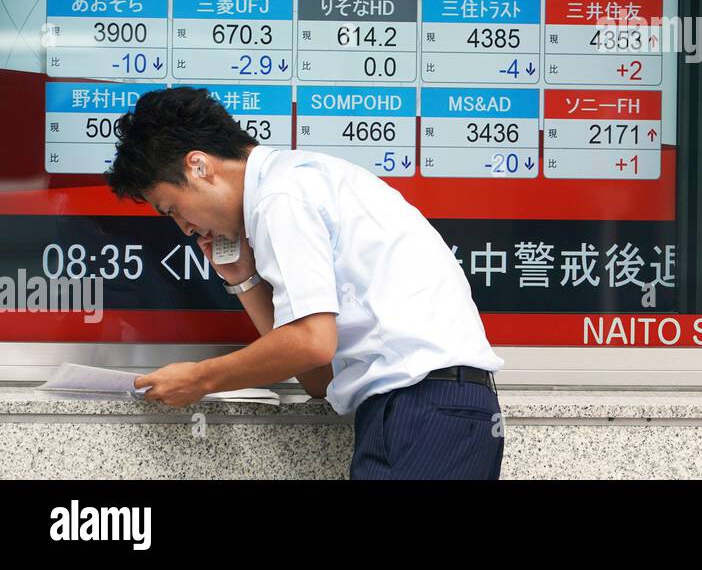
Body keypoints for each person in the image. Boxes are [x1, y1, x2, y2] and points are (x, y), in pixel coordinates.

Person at [104, 86, 506, 480]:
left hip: (421, 411)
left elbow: (312, 342)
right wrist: (244, 280)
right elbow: (318, 376)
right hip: (443, 410)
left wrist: (199, 379)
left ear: (199, 166)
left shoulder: (280, 196)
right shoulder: (295, 182)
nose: (186, 228)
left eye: (173, 209)